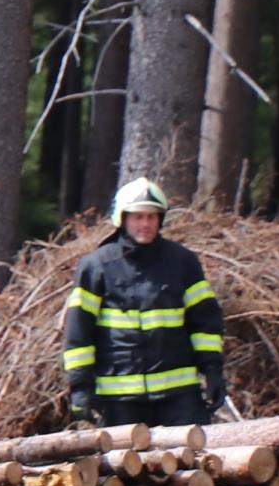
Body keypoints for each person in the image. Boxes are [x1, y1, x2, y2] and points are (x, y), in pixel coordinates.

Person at [61, 176, 226, 427]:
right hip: (120, 398)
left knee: (196, 462)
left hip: (179, 396)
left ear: (161, 219)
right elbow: (78, 333)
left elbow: (205, 322)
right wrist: (81, 388)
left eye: (151, 216)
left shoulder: (183, 262)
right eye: (138, 217)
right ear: (122, 218)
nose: (145, 224)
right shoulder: (96, 266)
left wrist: (213, 371)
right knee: (123, 466)